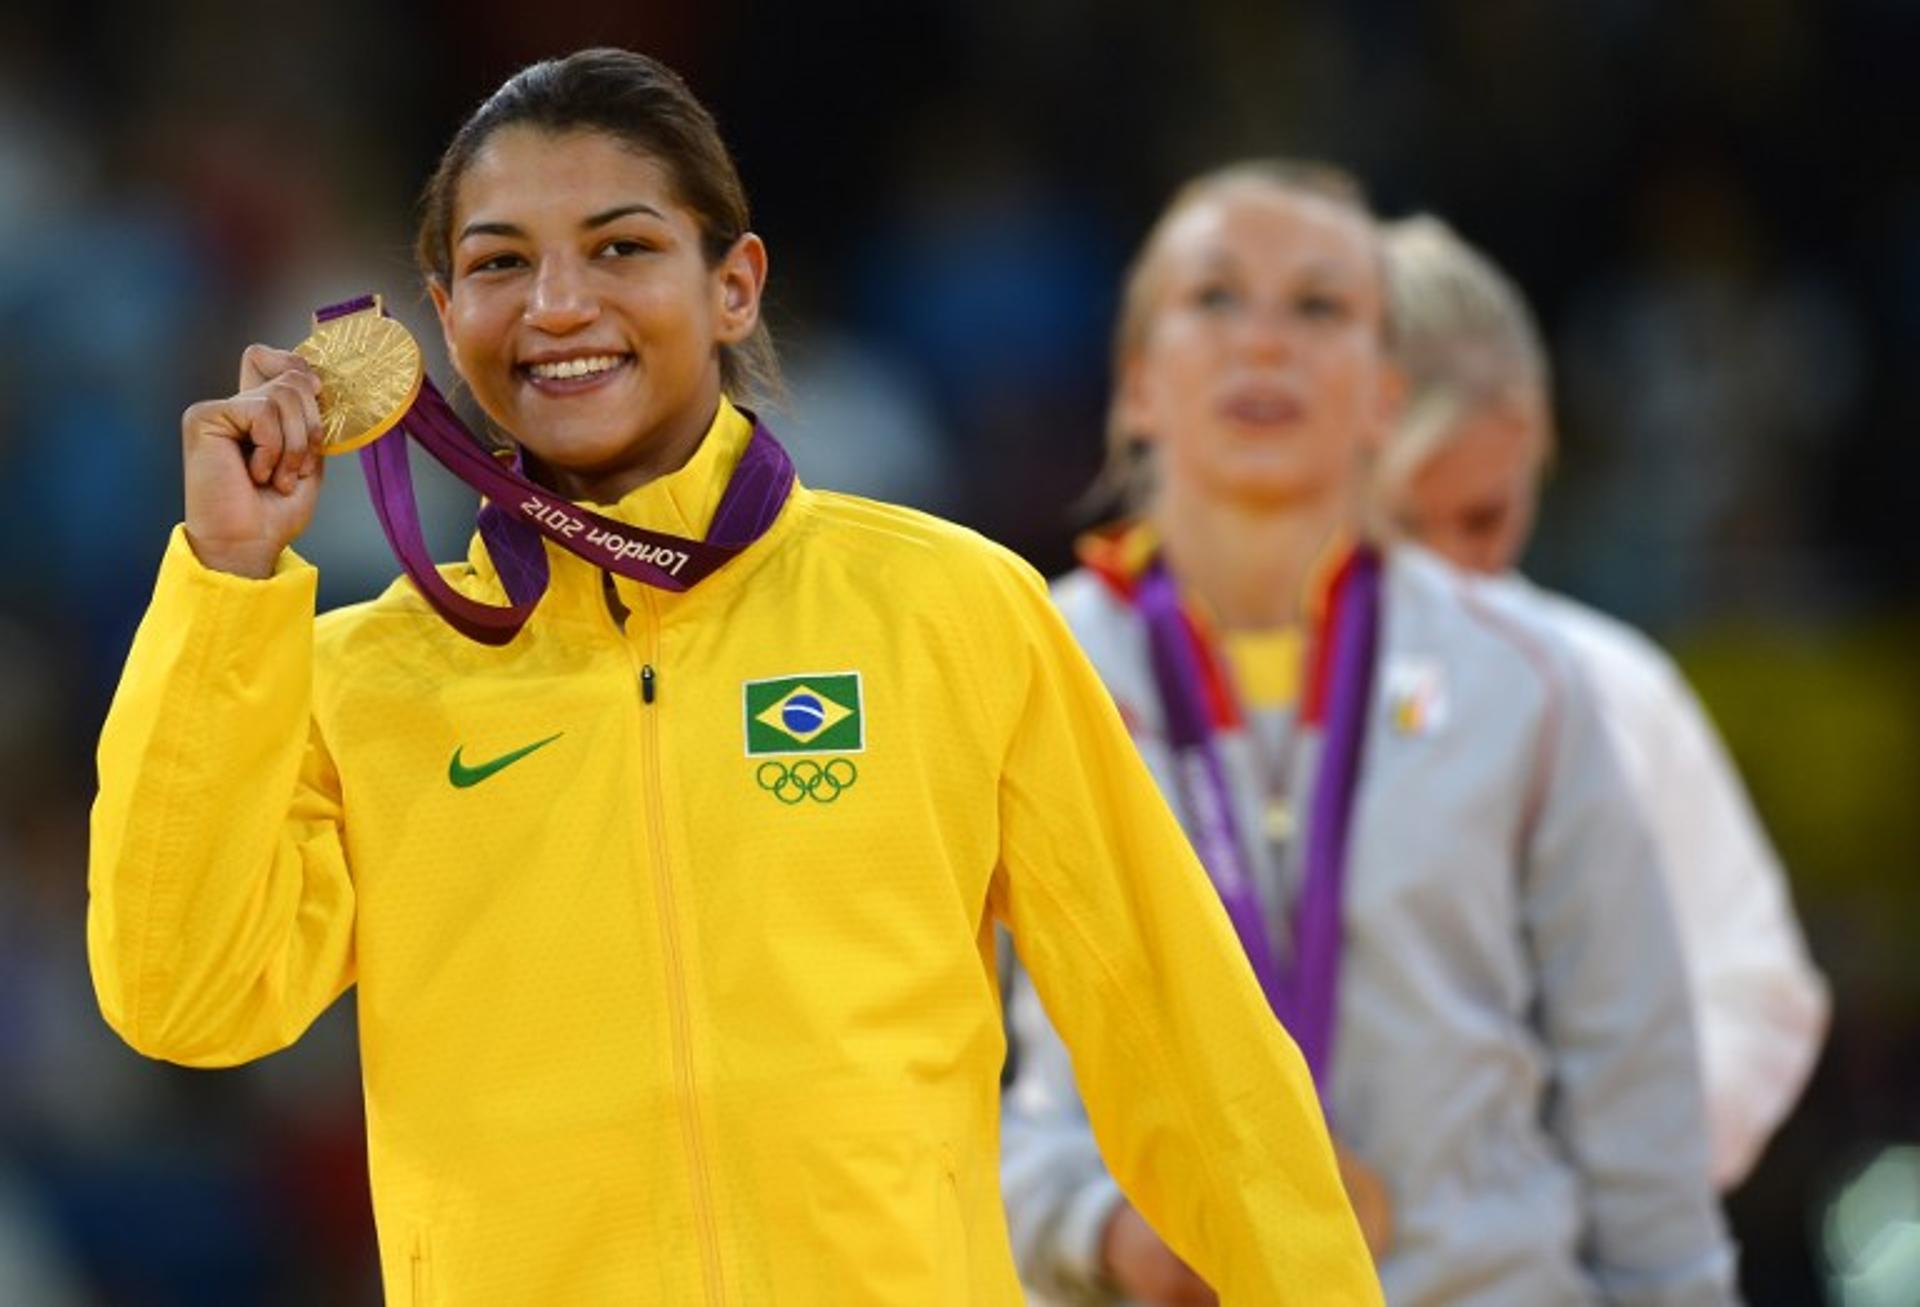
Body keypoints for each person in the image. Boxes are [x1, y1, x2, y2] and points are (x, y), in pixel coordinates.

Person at [86, 51, 1382, 1305]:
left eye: (622, 246)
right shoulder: (358, 679)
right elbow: (185, 998)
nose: (556, 305)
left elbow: (1188, 1049)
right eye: (498, 264)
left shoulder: (946, 608)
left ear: (736, 285)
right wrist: (228, 580)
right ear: (441, 317)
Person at [1000, 161, 1737, 1305]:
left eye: (1319, 306)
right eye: (1215, 298)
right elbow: (905, 1066)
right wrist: (1102, 1227)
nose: (1264, 344)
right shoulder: (1018, 667)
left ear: (1387, 394)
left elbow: (1630, 1076)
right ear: (1139, 382)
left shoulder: (1522, 678)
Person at [1372, 213, 1829, 1190]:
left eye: (1487, 517)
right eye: (1406, 524)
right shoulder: (1209, 695)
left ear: (1540, 458)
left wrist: (1595, 1167)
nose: (1454, 571)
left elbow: (1756, 988)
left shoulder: (1615, 690)